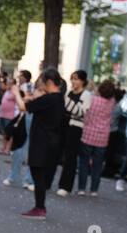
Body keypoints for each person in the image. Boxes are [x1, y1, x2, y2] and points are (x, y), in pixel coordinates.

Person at [14, 67, 66, 218]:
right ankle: (39, 206)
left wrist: (16, 93)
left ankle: (40, 207)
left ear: (49, 82)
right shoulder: (58, 98)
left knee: (38, 175)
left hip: (42, 141)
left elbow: (23, 107)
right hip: (51, 141)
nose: (40, 84)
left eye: (42, 81)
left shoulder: (49, 99)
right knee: (40, 174)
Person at [76, 79, 116, 196]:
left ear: (100, 89)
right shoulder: (111, 102)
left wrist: (93, 88)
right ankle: (94, 190)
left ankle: (81, 188)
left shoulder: (92, 100)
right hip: (102, 138)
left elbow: (89, 97)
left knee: (84, 163)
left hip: (87, 135)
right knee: (97, 165)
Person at [57, 69, 90, 196]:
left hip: (75, 128)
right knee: (56, 153)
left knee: (70, 157)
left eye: (76, 79)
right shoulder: (70, 93)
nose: (73, 81)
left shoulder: (86, 95)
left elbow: (80, 112)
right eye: (72, 78)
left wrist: (65, 99)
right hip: (63, 125)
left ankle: (65, 186)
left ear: (82, 81)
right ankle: (47, 182)